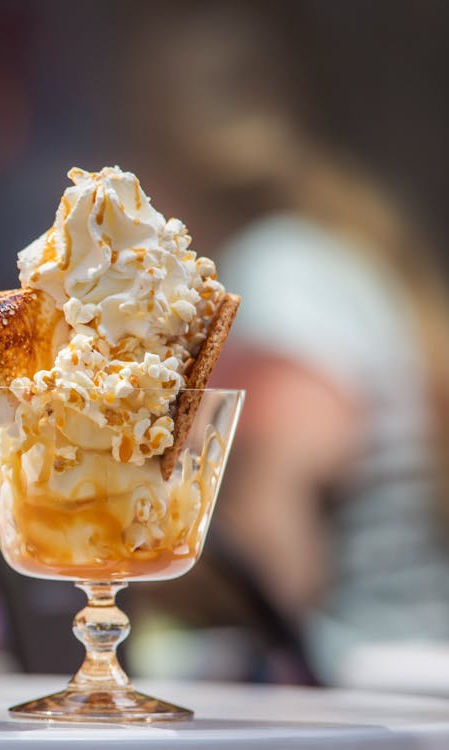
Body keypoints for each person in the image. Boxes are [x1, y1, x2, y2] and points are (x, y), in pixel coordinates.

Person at [127, 1, 449, 685]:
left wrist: (133, 570)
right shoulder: (341, 249)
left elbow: (282, 563)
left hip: (364, 678)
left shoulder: (279, 275)